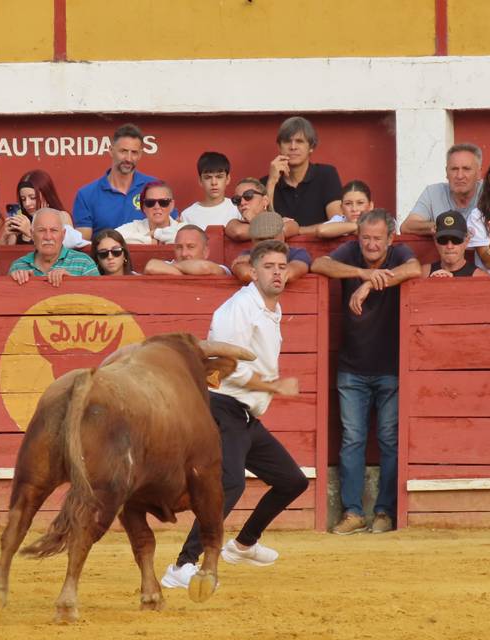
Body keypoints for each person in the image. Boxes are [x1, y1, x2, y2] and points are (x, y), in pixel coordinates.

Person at [161, 240, 309, 589]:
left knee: (292, 481)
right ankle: (183, 564)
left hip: (244, 414)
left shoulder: (271, 309)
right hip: (221, 406)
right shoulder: (239, 308)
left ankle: (244, 544)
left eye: (281, 266)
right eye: (269, 266)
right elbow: (224, 367)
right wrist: (272, 387)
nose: (277, 272)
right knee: (230, 482)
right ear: (253, 271)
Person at [310, 209, 421, 534]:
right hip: (352, 367)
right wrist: (362, 274)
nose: (371, 245)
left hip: (390, 367)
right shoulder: (353, 254)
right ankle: (354, 512)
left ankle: (385, 512)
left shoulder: (400, 254)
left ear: (390, 239)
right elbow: (320, 264)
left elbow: (414, 268)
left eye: (377, 239)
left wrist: (369, 285)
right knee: (353, 440)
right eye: (366, 238)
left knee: (388, 440)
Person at [73, 123, 172, 239]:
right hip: (107, 256)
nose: (128, 159)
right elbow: (84, 244)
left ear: (140, 154)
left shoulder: (155, 188)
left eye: (134, 152)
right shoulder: (86, 195)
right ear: (111, 150)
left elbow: (171, 229)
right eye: (123, 151)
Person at [263, 116, 343, 229]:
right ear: (279, 147)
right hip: (277, 247)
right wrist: (271, 183)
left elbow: (336, 223)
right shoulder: (265, 183)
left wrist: (295, 231)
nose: (293, 147)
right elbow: (263, 229)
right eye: (287, 141)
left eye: (299, 141)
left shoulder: (326, 175)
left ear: (311, 146)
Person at [400, 143, 483, 235]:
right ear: (446, 172)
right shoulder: (433, 193)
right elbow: (407, 226)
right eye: (454, 169)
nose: (459, 176)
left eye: (466, 169)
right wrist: (442, 226)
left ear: (479, 173)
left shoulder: (489, 192)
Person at [8, 208, 99, 284]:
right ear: (32, 234)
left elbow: (99, 298)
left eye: (54, 230)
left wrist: (72, 282)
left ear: (63, 234)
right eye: (41, 230)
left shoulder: (84, 263)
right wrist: (22, 285)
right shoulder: (18, 266)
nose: (48, 237)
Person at [1, 169, 84, 248]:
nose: (27, 203)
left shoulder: (61, 217)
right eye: (23, 199)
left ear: (46, 195)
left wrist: (29, 232)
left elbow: (64, 251)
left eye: (33, 198)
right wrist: (5, 237)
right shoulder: (22, 221)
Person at [229, 211, 311, 285]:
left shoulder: (298, 253)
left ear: (282, 235)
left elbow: (289, 274)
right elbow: (245, 274)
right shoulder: (246, 254)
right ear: (253, 240)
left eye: (271, 238)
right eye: (261, 239)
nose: (267, 243)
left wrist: (256, 258)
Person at [224, 177, 300, 241]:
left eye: (248, 195)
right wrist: (272, 227)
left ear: (265, 201)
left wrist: (254, 221)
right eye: (237, 199)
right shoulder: (235, 223)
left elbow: (293, 227)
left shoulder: (284, 221)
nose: (242, 202)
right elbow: (238, 232)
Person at [180, 152, 241, 228]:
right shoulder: (188, 215)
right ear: (200, 181)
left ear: (228, 179)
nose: (214, 183)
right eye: (208, 177)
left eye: (219, 177)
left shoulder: (238, 209)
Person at [115, 181, 185, 245]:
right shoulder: (135, 226)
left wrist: (155, 233)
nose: (157, 207)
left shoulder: (182, 228)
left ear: (172, 205)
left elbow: (185, 239)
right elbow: (112, 237)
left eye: (163, 202)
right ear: (143, 207)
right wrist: (149, 240)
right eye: (150, 203)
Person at [143, 225, 230, 276]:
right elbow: (151, 266)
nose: (184, 253)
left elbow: (204, 268)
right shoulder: (170, 264)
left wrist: (174, 269)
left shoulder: (221, 268)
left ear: (205, 252)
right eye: (179, 247)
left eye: (191, 247)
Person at [423, 211, 489, 277]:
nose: (449, 246)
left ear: (466, 241)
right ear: (436, 241)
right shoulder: (424, 273)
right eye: (443, 240)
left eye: (456, 240)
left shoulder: (480, 277)